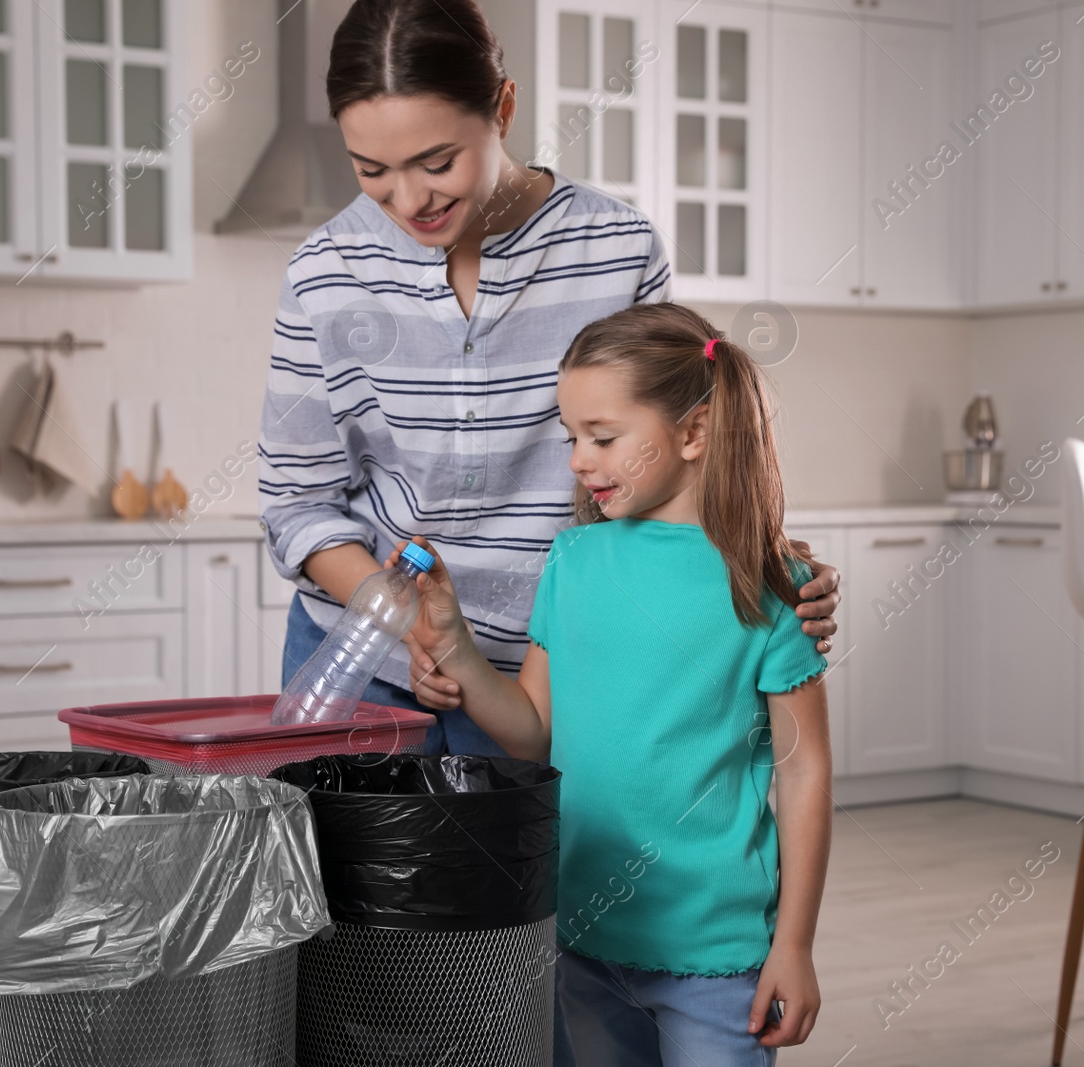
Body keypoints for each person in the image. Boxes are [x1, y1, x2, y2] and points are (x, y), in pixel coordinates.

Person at [257, 0, 843, 763]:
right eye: (372, 171)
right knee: (346, 883)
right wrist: (413, 623)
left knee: (524, 882)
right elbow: (298, 501)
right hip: (365, 668)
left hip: (560, 669)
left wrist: (768, 561)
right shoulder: (323, 271)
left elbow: (669, 461)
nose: (409, 201)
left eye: (437, 163)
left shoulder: (618, 249)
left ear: (502, 106)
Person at [386, 301, 832, 1064]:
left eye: (602, 437)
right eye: (572, 439)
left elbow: (804, 771)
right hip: (583, 931)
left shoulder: (769, 587)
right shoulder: (574, 561)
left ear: (693, 433)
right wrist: (456, 648)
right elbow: (532, 726)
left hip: (715, 953)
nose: (578, 461)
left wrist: (793, 943)